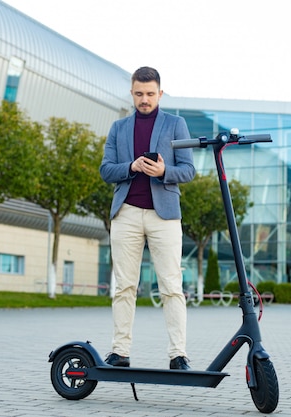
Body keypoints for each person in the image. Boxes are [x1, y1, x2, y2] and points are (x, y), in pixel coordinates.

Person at [100, 66, 195, 370]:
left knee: (171, 285)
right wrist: (132, 166)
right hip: (125, 213)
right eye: (139, 94)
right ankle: (120, 352)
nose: (144, 99)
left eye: (150, 94)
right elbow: (106, 170)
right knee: (125, 286)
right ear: (131, 92)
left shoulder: (176, 124)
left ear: (160, 93)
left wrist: (164, 171)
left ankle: (178, 354)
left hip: (163, 215)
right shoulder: (118, 128)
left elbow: (189, 170)